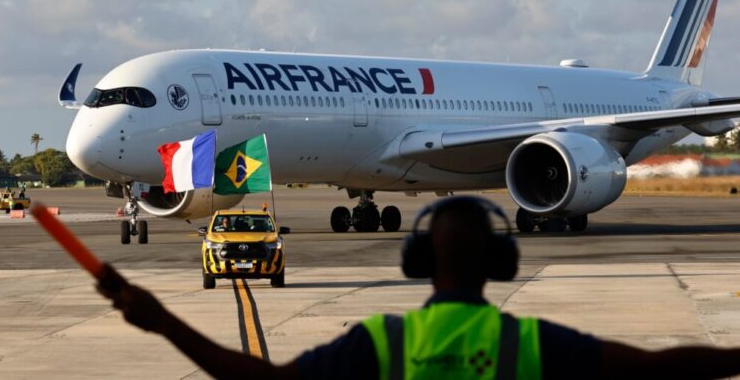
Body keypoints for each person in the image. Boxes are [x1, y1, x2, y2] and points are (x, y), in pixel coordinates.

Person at [97, 196, 740, 379]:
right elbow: (662, 366)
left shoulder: (379, 344)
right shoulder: (533, 345)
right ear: (502, 262)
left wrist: (162, 320)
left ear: (415, 261)